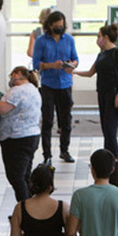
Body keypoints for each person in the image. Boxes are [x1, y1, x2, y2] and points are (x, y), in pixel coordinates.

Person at [0, 67, 43, 202]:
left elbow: (2, 109)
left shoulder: (17, 91)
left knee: (16, 177)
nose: (10, 78)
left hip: (16, 137)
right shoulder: (33, 89)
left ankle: (25, 208)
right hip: (32, 135)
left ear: (18, 74)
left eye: (11, 74)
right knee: (24, 175)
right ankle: (30, 205)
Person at [32, 10, 79, 165]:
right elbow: (36, 64)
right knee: (47, 120)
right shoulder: (41, 41)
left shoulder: (69, 40)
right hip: (48, 85)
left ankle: (64, 150)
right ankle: (47, 154)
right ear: (50, 25)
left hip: (65, 83)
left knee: (66, 120)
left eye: (62, 25)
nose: (60, 27)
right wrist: (51, 65)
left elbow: (75, 59)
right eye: (57, 25)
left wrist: (72, 65)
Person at [74, 24, 118, 158]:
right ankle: (108, 157)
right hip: (102, 92)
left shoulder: (117, 53)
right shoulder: (101, 54)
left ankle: (115, 159)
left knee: (110, 129)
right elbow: (90, 72)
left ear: (105, 37)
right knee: (105, 128)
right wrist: (74, 71)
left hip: (112, 92)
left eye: (99, 36)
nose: (97, 40)